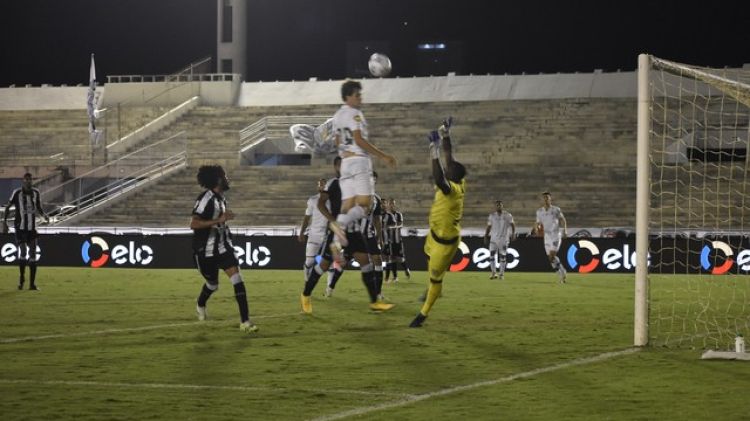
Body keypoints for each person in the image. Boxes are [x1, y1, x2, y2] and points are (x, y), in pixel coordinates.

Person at [301, 158, 393, 314]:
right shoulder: (333, 184)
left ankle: (375, 302)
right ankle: (305, 294)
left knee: (366, 263)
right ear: (337, 167)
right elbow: (320, 204)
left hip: (354, 231)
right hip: (337, 231)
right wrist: (332, 220)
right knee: (323, 265)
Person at [328, 80, 397, 263]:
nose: (360, 97)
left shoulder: (336, 116)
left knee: (347, 205)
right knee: (365, 206)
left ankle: (336, 241)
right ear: (348, 97)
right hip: (359, 162)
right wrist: (383, 156)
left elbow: (336, 141)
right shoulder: (355, 114)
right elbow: (359, 140)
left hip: (345, 163)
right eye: (357, 95)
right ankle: (338, 225)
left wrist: (343, 152)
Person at [410, 118, 467, 328]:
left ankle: (423, 315)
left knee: (435, 278)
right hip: (434, 235)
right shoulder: (459, 178)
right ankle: (435, 289)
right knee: (426, 255)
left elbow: (438, 178)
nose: (447, 168)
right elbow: (450, 156)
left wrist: (432, 148)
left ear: (452, 176)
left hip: (445, 242)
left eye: (449, 169)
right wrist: (445, 134)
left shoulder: (452, 189)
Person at [191, 165, 258, 333]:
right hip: (205, 251)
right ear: (218, 179)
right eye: (225, 176)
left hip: (223, 247)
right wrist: (219, 220)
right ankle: (200, 303)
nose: (228, 179)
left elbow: (220, 220)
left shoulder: (221, 199)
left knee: (237, 278)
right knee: (212, 285)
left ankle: (245, 322)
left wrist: (224, 219)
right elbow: (194, 224)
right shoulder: (205, 198)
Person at [2, 173, 49, 290]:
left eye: (30, 179)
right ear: (23, 181)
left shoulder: (36, 193)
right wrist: (5, 223)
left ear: (32, 181)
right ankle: (22, 278)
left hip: (32, 229)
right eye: (26, 179)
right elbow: (8, 207)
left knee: (32, 254)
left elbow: (38, 207)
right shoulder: (17, 193)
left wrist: (44, 215)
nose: (28, 181)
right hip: (20, 228)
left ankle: (32, 284)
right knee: (23, 251)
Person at [531, 191, 568, 283]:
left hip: (555, 235)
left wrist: (565, 230)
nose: (546, 199)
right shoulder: (539, 211)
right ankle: (562, 272)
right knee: (550, 258)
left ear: (550, 199)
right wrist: (535, 228)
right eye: (544, 198)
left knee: (552, 256)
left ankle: (561, 274)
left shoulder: (556, 209)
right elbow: (538, 223)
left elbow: (563, 220)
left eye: (547, 197)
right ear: (542, 200)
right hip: (546, 236)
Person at [298, 178, 328, 282]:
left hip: (328, 236)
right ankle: (307, 273)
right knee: (310, 261)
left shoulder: (333, 201)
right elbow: (307, 218)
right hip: (314, 234)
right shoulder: (312, 200)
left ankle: (329, 290)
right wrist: (301, 232)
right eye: (320, 185)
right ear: (317, 187)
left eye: (323, 185)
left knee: (331, 265)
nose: (321, 187)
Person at [484, 200, 516, 280]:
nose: (499, 206)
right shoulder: (492, 216)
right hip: (493, 239)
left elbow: (512, 224)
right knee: (491, 255)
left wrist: (513, 233)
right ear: (495, 207)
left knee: (502, 256)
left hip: (504, 239)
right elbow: (489, 226)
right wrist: (486, 235)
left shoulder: (508, 215)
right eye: (497, 205)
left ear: (502, 206)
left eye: (500, 205)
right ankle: (493, 273)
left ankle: (501, 274)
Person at [382, 198, 411, 283]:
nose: (391, 205)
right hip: (390, 241)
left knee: (401, 258)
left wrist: (390, 227)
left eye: (393, 204)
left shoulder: (398, 214)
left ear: (394, 205)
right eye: (390, 204)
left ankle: (406, 269)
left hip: (398, 240)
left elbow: (400, 224)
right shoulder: (385, 215)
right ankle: (395, 277)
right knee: (392, 258)